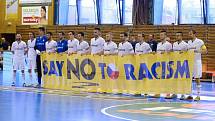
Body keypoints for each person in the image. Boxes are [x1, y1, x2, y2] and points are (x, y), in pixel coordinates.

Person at [186, 30, 207, 101]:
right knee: (189, 79)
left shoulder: (200, 41)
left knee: (197, 78)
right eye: (189, 34)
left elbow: (205, 51)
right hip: (190, 62)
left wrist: (197, 51)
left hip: (197, 62)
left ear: (194, 34)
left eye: (191, 34)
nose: (189, 35)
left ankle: (198, 95)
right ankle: (190, 95)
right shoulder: (188, 42)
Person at [153, 30, 172, 98]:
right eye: (160, 35)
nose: (161, 36)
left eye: (162, 35)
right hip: (159, 63)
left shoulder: (168, 44)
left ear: (165, 36)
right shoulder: (158, 44)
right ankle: (158, 92)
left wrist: (166, 53)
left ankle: (168, 93)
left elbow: (171, 54)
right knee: (159, 78)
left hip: (166, 63)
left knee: (167, 78)